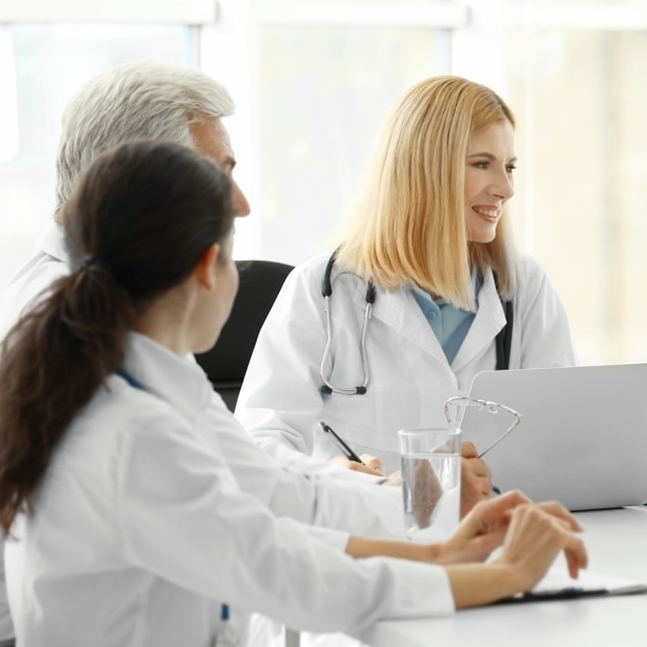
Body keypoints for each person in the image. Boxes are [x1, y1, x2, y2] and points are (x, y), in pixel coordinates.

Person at [0, 62, 421, 645]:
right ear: (143, 176)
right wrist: (436, 535)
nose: (240, 204)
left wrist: (377, 497)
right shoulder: (78, 322)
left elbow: (234, 463)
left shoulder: (126, 299)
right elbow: (249, 517)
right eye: (220, 175)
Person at [235, 75, 576, 504]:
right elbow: (260, 443)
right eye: (482, 164)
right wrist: (333, 476)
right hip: (363, 534)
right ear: (425, 168)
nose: (506, 189)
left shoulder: (522, 286)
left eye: (508, 167)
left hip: (493, 528)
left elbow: (565, 431)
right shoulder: (323, 289)